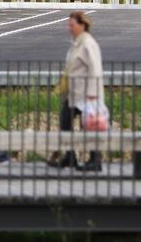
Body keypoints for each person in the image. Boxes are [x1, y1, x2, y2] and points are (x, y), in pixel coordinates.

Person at [48, 11, 105, 172]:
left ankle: (95, 159)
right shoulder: (77, 42)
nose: (69, 28)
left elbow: (95, 69)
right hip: (75, 93)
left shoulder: (88, 44)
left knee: (89, 126)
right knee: (66, 121)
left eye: (72, 25)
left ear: (82, 25)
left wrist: (93, 94)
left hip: (86, 93)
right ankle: (70, 156)